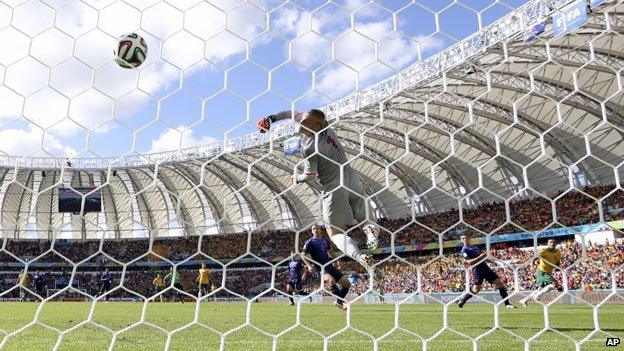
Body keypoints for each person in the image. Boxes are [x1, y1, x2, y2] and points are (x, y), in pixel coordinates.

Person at [257, 110, 379, 267]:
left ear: (315, 125)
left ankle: (360, 257)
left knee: (334, 233)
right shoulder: (327, 128)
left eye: (306, 122)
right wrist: (271, 118)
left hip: (334, 186)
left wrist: (297, 178)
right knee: (367, 219)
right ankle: (370, 231)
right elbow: (291, 113)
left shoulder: (309, 147)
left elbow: (310, 175)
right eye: (302, 120)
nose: (301, 122)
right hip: (352, 178)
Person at [457, 234, 515, 309]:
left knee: (499, 284)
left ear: (469, 238)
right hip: (477, 270)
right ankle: (463, 299)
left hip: (485, 268)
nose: (465, 239)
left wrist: (492, 262)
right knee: (476, 289)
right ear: (461, 240)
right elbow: (469, 262)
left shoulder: (475, 247)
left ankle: (507, 304)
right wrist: (480, 256)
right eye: (463, 238)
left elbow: (483, 257)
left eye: (466, 237)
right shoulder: (464, 249)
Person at [301, 224, 351, 310]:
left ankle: (338, 302)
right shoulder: (310, 242)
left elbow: (330, 251)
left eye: (317, 228)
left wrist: (337, 260)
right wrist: (309, 265)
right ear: (312, 231)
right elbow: (302, 255)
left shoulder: (325, 240)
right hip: (320, 268)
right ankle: (342, 303)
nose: (315, 230)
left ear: (320, 230)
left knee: (347, 283)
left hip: (330, 266)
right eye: (313, 229)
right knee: (331, 280)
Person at [520, 238, 562, 307]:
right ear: (547, 244)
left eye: (554, 242)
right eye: (551, 242)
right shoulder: (544, 251)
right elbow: (534, 258)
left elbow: (557, 262)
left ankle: (524, 300)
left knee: (540, 289)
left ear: (556, 244)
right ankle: (537, 296)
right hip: (541, 271)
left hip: (548, 272)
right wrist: (532, 266)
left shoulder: (558, 253)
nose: (552, 244)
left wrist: (558, 269)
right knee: (555, 284)